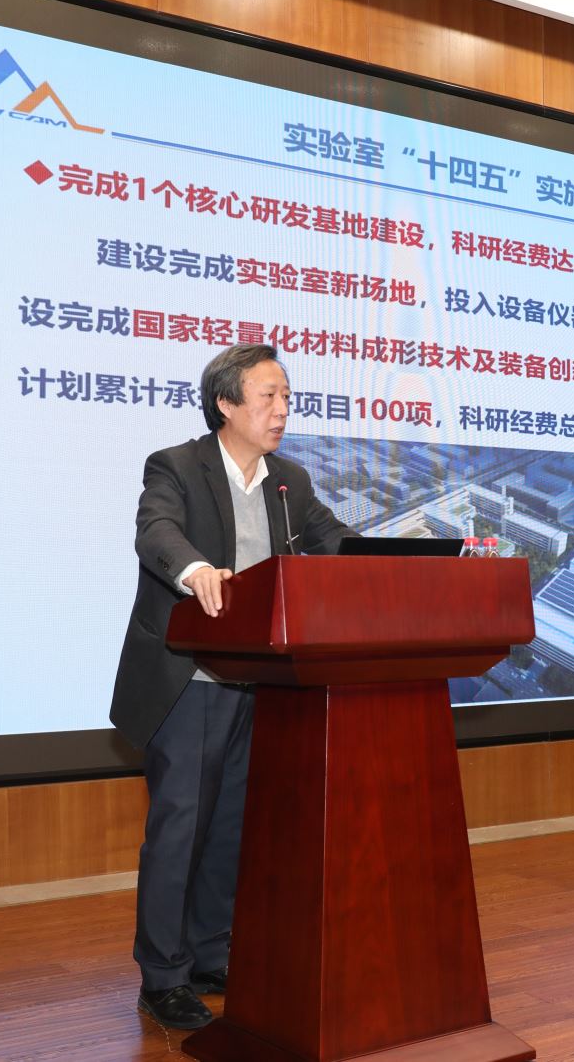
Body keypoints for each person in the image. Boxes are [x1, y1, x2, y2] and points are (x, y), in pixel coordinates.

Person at [110, 343, 357, 1030]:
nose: (282, 410)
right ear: (225, 401)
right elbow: (156, 531)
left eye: (287, 397)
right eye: (268, 396)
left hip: (260, 682)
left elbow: (335, 541)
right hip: (189, 679)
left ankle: (209, 955)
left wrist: (406, 562)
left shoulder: (289, 481)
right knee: (180, 827)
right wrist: (194, 570)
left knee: (230, 827)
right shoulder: (177, 466)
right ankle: (162, 976)